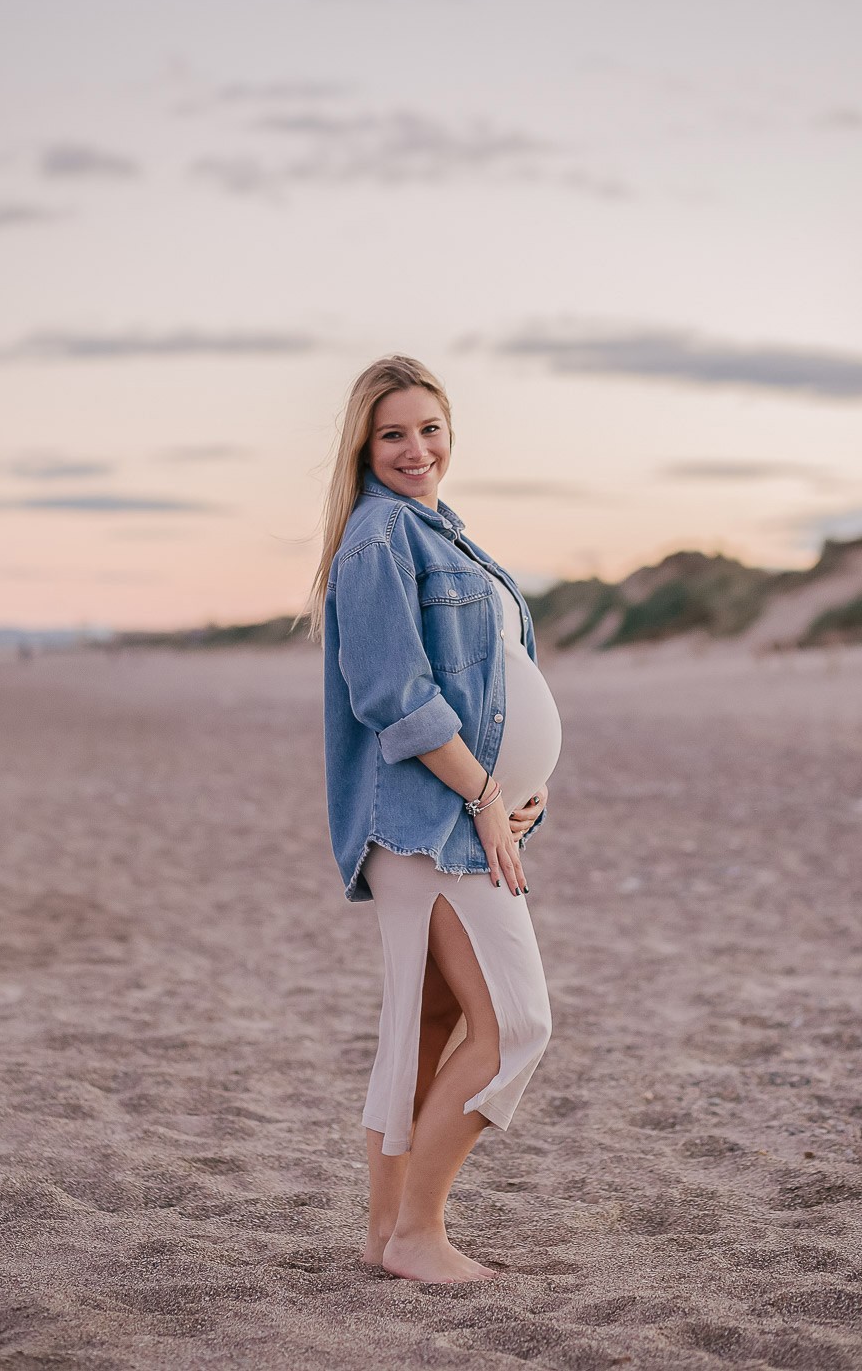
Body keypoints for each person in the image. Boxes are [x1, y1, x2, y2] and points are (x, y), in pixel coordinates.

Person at [298, 354, 563, 1283]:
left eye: (430, 428)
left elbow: (490, 687)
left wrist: (521, 788)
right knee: (515, 1025)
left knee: (428, 1022)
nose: (417, 449)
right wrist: (485, 795)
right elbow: (394, 695)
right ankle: (418, 1233)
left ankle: (384, 1236)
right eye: (394, 433)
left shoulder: (440, 532)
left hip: (465, 815)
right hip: (429, 822)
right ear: (364, 447)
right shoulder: (380, 539)